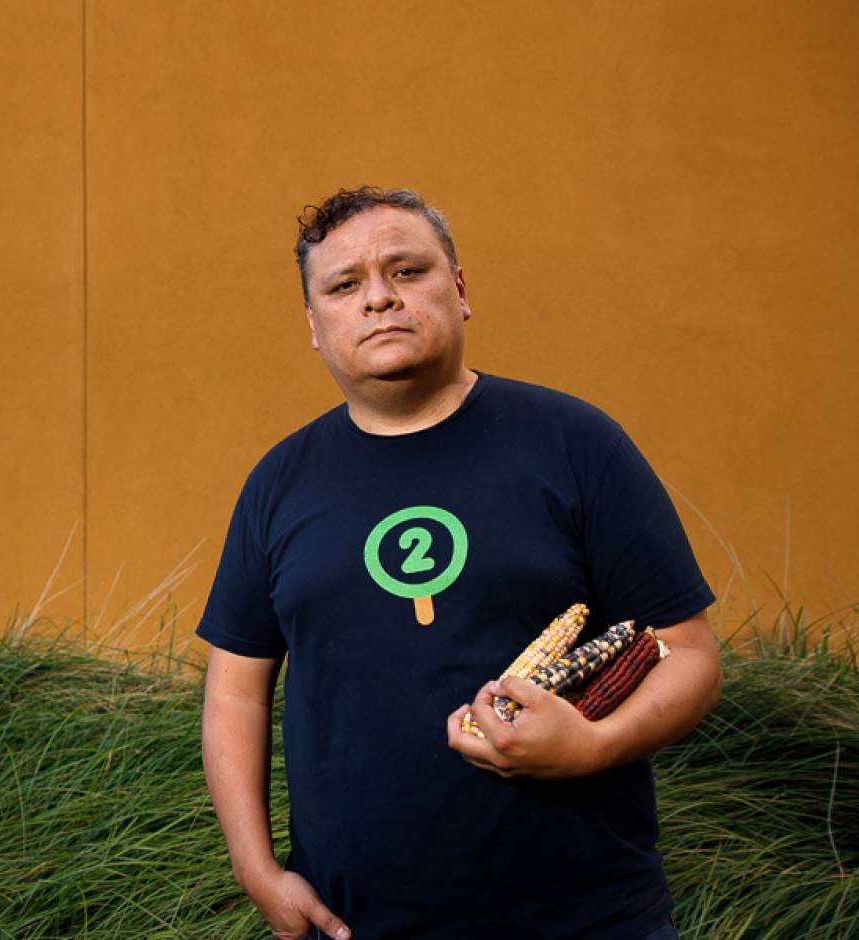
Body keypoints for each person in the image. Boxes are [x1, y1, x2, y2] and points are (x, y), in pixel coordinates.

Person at [196, 186, 721, 940]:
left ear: (461, 290)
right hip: (355, 923)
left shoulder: (573, 444)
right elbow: (236, 692)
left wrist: (592, 746)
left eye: (407, 271)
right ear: (315, 326)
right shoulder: (279, 483)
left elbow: (690, 651)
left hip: (586, 918)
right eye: (344, 285)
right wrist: (256, 870)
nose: (379, 298)